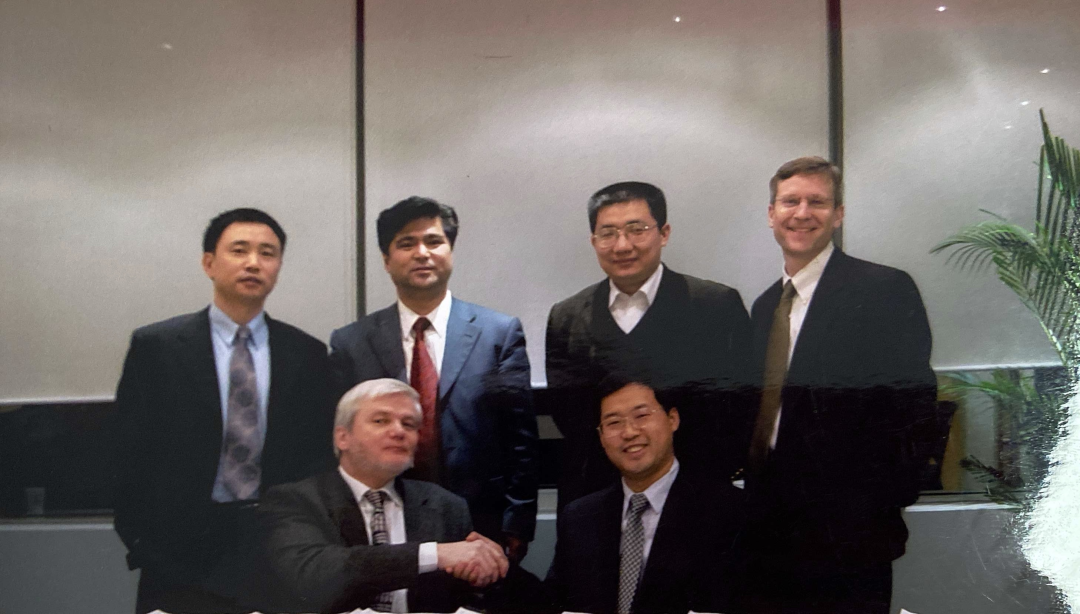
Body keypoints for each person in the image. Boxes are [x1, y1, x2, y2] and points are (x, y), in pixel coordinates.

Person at [113, 208, 335, 614]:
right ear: (209, 263)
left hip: (275, 543)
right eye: (239, 250)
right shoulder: (158, 347)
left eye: (267, 253)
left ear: (278, 266)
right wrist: (142, 541)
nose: (253, 262)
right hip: (178, 549)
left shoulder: (306, 353)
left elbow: (316, 456)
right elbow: (128, 452)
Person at [740, 157, 937, 613]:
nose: (802, 213)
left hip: (851, 535)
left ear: (838, 214)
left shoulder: (882, 289)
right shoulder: (766, 306)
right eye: (790, 201)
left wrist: (880, 503)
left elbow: (914, 406)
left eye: (817, 202)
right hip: (768, 527)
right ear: (771, 213)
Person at [329, 196, 539, 562]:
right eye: (406, 243)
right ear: (386, 259)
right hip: (381, 522)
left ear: (450, 251)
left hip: (479, 520)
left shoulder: (498, 334)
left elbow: (521, 439)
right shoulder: (351, 342)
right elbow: (339, 444)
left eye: (433, 241)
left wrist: (517, 522)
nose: (422, 253)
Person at [545, 181, 753, 507]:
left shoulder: (716, 306)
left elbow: (740, 409)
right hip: (597, 497)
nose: (622, 245)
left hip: (697, 495)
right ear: (594, 241)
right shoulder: (566, 317)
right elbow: (568, 415)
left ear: (664, 233)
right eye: (608, 233)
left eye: (637, 230)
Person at [258, 378, 509, 613]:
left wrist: (487, 569)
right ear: (343, 437)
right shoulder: (295, 500)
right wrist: (433, 554)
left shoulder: (446, 505)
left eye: (408, 424)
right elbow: (314, 573)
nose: (398, 432)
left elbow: (469, 594)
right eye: (381, 421)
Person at [546, 372, 745, 614]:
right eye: (614, 423)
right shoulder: (580, 517)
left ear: (672, 419)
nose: (629, 432)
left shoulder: (728, 511)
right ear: (601, 437)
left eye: (641, 416)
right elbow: (554, 602)